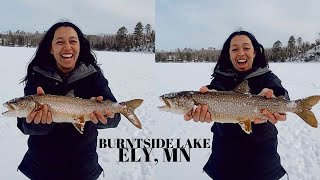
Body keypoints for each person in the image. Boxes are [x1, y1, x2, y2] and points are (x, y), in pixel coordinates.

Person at [17, 21, 121, 180]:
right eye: (59, 42)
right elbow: (24, 125)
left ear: (80, 46)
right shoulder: (37, 75)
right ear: (51, 48)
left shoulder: (94, 75)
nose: (67, 47)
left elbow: (115, 118)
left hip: (82, 169)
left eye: (73, 41)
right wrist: (37, 124)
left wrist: (105, 118)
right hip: (42, 168)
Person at [184, 31, 288, 180]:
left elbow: (279, 92)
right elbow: (215, 89)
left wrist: (278, 99)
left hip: (263, 163)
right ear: (229, 54)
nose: (241, 53)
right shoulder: (221, 78)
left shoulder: (267, 77)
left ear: (255, 52)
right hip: (224, 163)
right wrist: (210, 95)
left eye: (246, 48)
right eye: (234, 49)